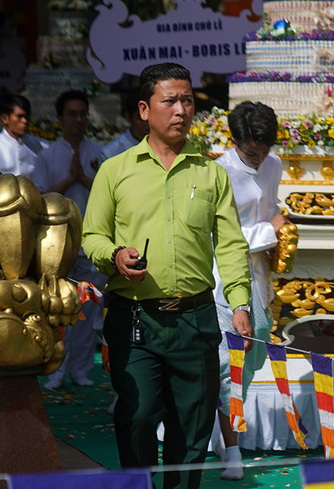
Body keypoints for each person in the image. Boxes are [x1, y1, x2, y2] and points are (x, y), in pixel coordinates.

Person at [82, 62, 253, 489]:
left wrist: (240, 302)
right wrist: (115, 255)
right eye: (170, 101)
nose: (181, 110)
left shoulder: (211, 173)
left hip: (196, 320)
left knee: (192, 429)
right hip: (135, 318)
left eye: (188, 100)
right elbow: (92, 236)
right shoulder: (115, 170)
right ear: (144, 109)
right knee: (136, 416)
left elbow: (231, 244)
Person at [210, 101, 285, 479]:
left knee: (253, 353)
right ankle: (232, 450)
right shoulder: (218, 172)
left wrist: (278, 227)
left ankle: (220, 424)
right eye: (251, 152)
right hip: (224, 276)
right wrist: (272, 229)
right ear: (235, 141)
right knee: (230, 364)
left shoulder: (274, 165)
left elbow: (272, 208)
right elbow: (219, 238)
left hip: (260, 279)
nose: (258, 159)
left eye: (264, 150)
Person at [39, 89, 106, 389]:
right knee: (55, 309)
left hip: (90, 242)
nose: (79, 120)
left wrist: (84, 178)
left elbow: (109, 194)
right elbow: (39, 197)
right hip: (57, 245)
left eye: (83, 114)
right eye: (72, 114)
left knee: (86, 310)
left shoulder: (99, 153)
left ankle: (80, 371)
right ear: (60, 119)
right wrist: (70, 179)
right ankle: (55, 371)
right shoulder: (47, 154)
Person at [0, 90, 47, 187]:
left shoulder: (41, 146)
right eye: (19, 116)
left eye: (27, 116)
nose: (25, 121)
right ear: (5, 118)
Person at [100, 89, 149, 165]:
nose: (148, 124)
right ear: (128, 117)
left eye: (152, 117)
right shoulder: (111, 153)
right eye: (141, 119)